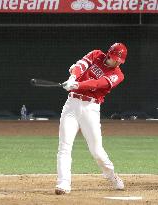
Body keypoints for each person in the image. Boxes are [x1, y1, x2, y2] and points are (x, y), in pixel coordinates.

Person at [55, 43, 128, 195]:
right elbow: (81, 65)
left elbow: (98, 83)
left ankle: (111, 175)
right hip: (72, 105)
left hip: (91, 109)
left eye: (119, 60)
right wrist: (73, 76)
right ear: (109, 54)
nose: (116, 62)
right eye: (115, 58)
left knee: (96, 150)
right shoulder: (96, 54)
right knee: (64, 146)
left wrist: (77, 85)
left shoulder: (118, 75)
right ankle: (63, 183)